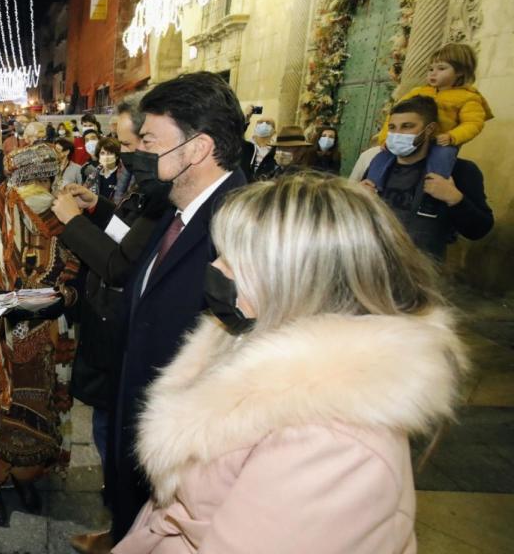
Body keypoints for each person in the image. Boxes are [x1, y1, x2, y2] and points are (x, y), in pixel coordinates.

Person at [114, 172, 467, 554]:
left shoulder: (333, 444)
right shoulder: (241, 339)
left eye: (234, 259)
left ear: (294, 277)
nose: (216, 268)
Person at [97, 72, 247, 552]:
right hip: (136, 419)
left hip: (182, 450)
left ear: (197, 148)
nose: (137, 151)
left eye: (148, 140)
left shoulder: (242, 225)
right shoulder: (174, 209)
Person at [51, 95, 165, 494]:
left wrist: (71, 223)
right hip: (108, 333)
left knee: (116, 433)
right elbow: (127, 231)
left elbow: (120, 263)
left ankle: (121, 503)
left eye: (132, 145)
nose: (128, 155)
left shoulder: (168, 195)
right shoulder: (149, 190)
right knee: (105, 423)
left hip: (124, 334)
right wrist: (98, 208)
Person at [0, 143, 80, 527]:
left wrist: (63, 299)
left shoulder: (65, 218)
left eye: (41, 183)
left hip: (48, 336)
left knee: (43, 412)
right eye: (27, 185)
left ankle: (28, 477)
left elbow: (83, 275)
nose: (35, 194)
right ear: (13, 183)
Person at [361, 95, 493, 260]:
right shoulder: (378, 166)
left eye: (407, 126)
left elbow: (479, 230)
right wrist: (358, 199)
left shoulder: (459, 170)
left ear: (429, 129)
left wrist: (455, 199)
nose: (397, 134)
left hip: (422, 273)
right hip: (371, 264)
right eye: (392, 127)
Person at [377, 43, 493, 217]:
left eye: (441, 68)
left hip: (442, 141)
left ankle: (430, 199)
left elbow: (473, 124)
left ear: (460, 72)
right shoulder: (419, 92)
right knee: (382, 155)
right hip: (416, 141)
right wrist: (386, 137)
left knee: (443, 157)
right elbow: (395, 115)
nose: (433, 73)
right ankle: (373, 185)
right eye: (430, 68)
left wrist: (452, 136)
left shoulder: (468, 97)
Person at [86, 137, 125, 202]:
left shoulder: (123, 175)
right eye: (102, 153)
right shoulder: (93, 175)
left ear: (117, 156)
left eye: (110, 153)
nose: (106, 156)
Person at [239, 116, 276, 180]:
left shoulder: (275, 150)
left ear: (274, 131)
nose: (263, 124)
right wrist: (246, 117)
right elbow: (236, 135)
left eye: (268, 123)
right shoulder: (246, 146)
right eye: (260, 122)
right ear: (255, 127)